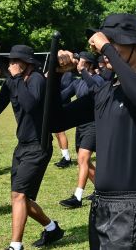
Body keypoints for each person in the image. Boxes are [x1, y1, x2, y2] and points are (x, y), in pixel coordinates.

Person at [50, 13, 136, 249]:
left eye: (115, 42)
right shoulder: (104, 92)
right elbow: (55, 121)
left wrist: (106, 47)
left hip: (131, 207)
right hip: (101, 204)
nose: (105, 50)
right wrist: (55, 76)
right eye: (106, 42)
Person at [0, 45, 64, 250]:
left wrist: (14, 79)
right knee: (21, 197)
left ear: (27, 63)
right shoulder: (13, 82)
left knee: (18, 196)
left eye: (15, 61)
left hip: (38, 146)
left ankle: (15, 245)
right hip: (22, 145)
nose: (10, 65)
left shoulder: (38, 80)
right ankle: (51, 229)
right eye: (10, 62)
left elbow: (31, 106)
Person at [59, 51, 103, 209]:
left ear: (90, 65)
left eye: (82, 62)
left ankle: (77, 197)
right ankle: (102, 190)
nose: (78, 64)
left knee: (83, 159)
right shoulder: (77, 83)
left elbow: (95, 89)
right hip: (81, 125)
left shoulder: (98, 79)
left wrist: (83, 71)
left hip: (94, 125)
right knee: (84, 161)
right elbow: (62, 96)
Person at [54, 71, 74, 168]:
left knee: (60, 132)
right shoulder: (58, 72)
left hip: (63, 105)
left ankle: (67, 158)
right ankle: (64, 156)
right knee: (57, 133)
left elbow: (66, 88)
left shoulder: (67, 74)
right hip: (56, 104)